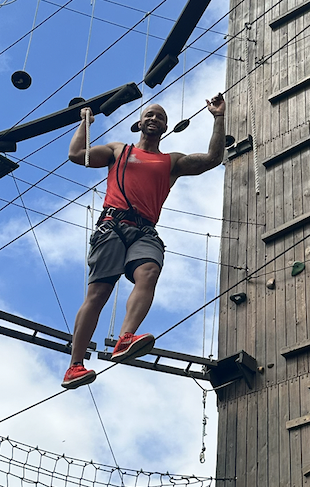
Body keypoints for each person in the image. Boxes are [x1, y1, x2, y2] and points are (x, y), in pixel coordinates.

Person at [61, 94, 226, 390]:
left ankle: (125, 338)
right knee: (98, 294)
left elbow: (213, 159)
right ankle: (74, 365)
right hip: (112, 225)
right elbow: (77, 155)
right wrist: (85, 122)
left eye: (160, 117)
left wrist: (218, 117)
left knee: (149, 271)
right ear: (139, 123)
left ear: (165, 128)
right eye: (149, 114)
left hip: (145, 231)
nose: (154, 118)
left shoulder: (170, 162)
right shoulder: (118, 150)